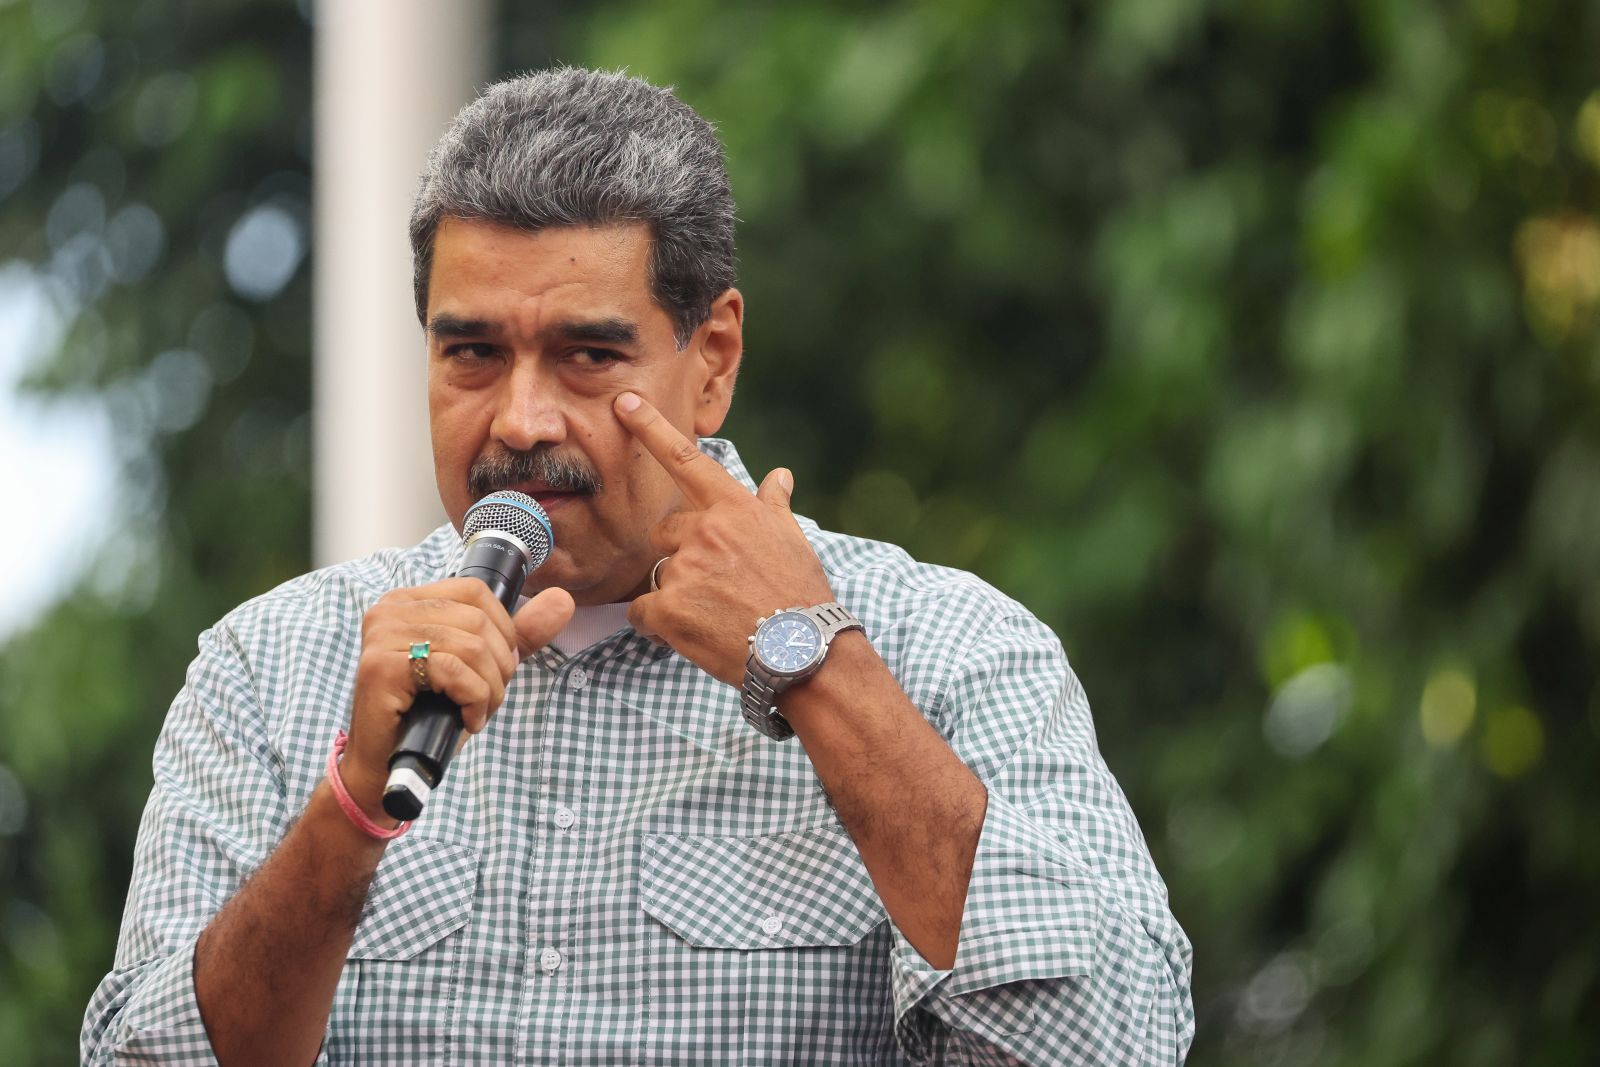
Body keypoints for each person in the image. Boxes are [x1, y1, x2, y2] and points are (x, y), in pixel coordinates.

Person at [82, 67, 1194, 1065]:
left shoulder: (948, 649)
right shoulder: (267, 670)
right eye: (471, 352)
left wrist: (816, 668)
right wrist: (348, 811)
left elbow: (1114, 1036)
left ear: (710, 361)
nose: (518, 419)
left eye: (587, 354)